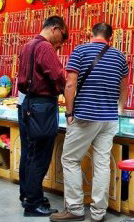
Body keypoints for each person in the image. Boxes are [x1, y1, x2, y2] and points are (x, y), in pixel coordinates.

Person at [51, 23, 128, 222]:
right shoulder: (119, 56)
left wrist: (69, 112)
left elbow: (70, 84)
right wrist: (118, 110)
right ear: (110, 38)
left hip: (85, 116)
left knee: (70, 159)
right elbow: (124, 89)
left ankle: (75, 208)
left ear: (91, 34)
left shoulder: (80, 51)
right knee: (102, 164)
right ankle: (98, 212)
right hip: (109, 119)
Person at [17, 15, 68, 217]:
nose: (61, 43)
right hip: (42, 106)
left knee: (30, 153)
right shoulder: (45, 47)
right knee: (40, 155)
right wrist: (68, 91)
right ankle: (33, 203)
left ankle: (29, 195)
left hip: (28, 103)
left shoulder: (28, 45)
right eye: (62, 36)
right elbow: (57, 76)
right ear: (55, 29)